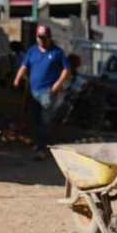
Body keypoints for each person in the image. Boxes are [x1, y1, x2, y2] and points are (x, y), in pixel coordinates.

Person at [12, 25, 70, 155]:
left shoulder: (57, 52)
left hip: (48, 92)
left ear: (49, 38)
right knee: (36, 119)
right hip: (33, 92)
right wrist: (17, 79)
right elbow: (24, 66)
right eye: (39, 37)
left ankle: (42, 148)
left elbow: (66, 70)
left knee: (45, 120)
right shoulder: (32, 51)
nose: (42, 40)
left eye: (44, 38)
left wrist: (57, 85)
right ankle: (41, 144)